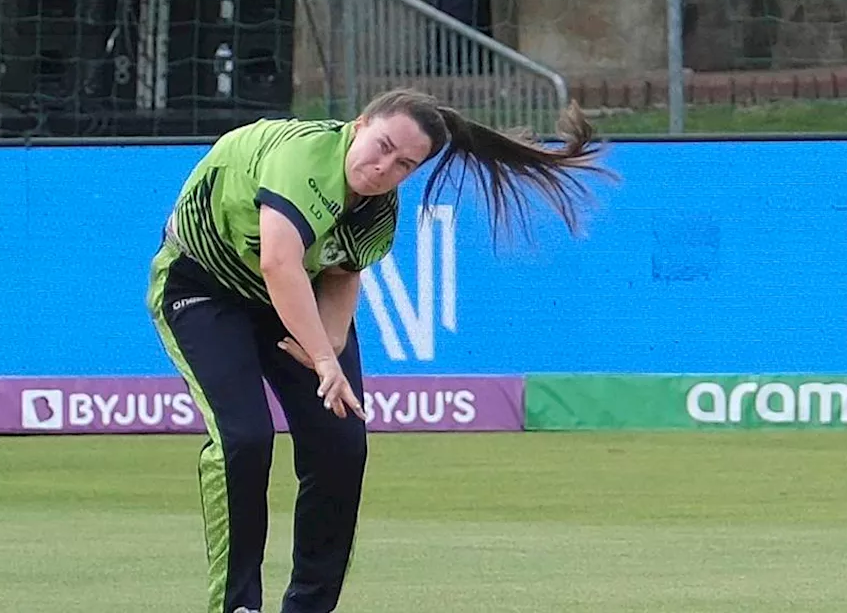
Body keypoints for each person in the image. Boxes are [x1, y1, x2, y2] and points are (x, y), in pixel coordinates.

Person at [145, 88, 617, 613]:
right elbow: (280, 262)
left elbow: (343, 273)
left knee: (341, 445)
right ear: (360, 123)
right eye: (383, 145)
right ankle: (238, 606)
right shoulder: (302, 156)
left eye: (403, 164)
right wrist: (324, 359)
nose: (384, 166)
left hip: (291, 296)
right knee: (246, 438)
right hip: (204, 289)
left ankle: (309, 607)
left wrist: (333, 341)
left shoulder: (378, 211)